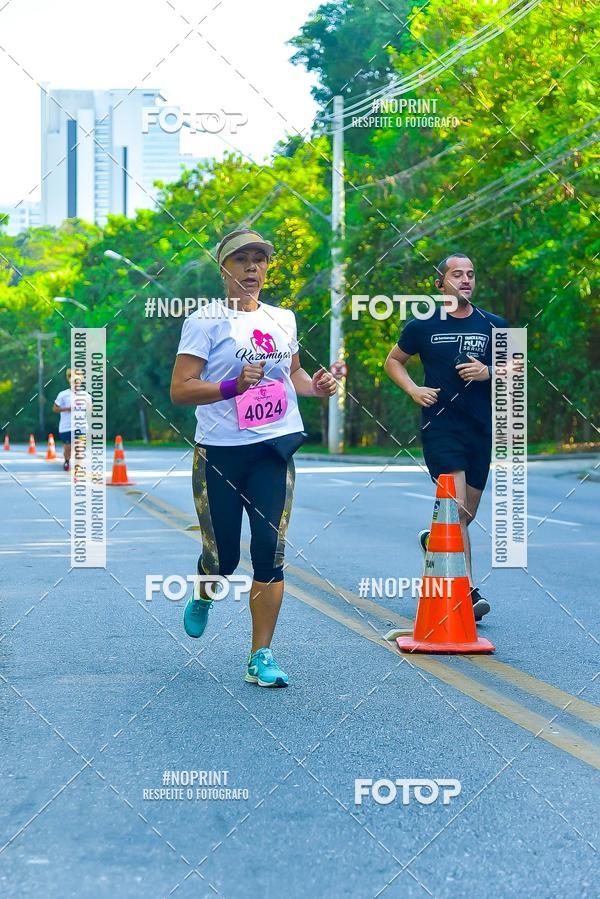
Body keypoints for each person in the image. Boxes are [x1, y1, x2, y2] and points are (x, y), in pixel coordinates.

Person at [170, 229, 337, 687]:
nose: (251, 268)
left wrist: (317, 387)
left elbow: (296, 374)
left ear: (266, 268)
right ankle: (205, 586)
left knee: (269, 550)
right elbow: (181, 389)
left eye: (259, 260)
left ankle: (260, 655)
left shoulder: (283, 318)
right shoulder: (205, 321)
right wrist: (232, 386)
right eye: (241, 259)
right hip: (221, 452)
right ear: (224, 268)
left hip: (273, 448)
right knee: (223, 558)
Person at [384, 253, 508, 621]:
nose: (466, 280)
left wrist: (489, 371)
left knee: (465, 514)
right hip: (440, 425)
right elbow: (393, 361)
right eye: (457, 274)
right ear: (440, 283)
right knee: (454, 508)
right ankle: (467, 590)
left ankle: (434, 541)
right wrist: (413, 390)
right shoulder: (422, 325)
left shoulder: (494, 323)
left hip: (480, 429)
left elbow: (517, 365)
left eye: (470, 274)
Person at [52, 368, 91, 471]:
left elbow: (91, 409)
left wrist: (89, 408)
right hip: (66, 427)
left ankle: (78, 468)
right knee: (67, 449)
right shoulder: (63, 394)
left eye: (78, 382)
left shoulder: (86, 395)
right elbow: (55, 408)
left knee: (80, 448)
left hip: (81, 426)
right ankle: (66, 460)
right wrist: (67, 409)